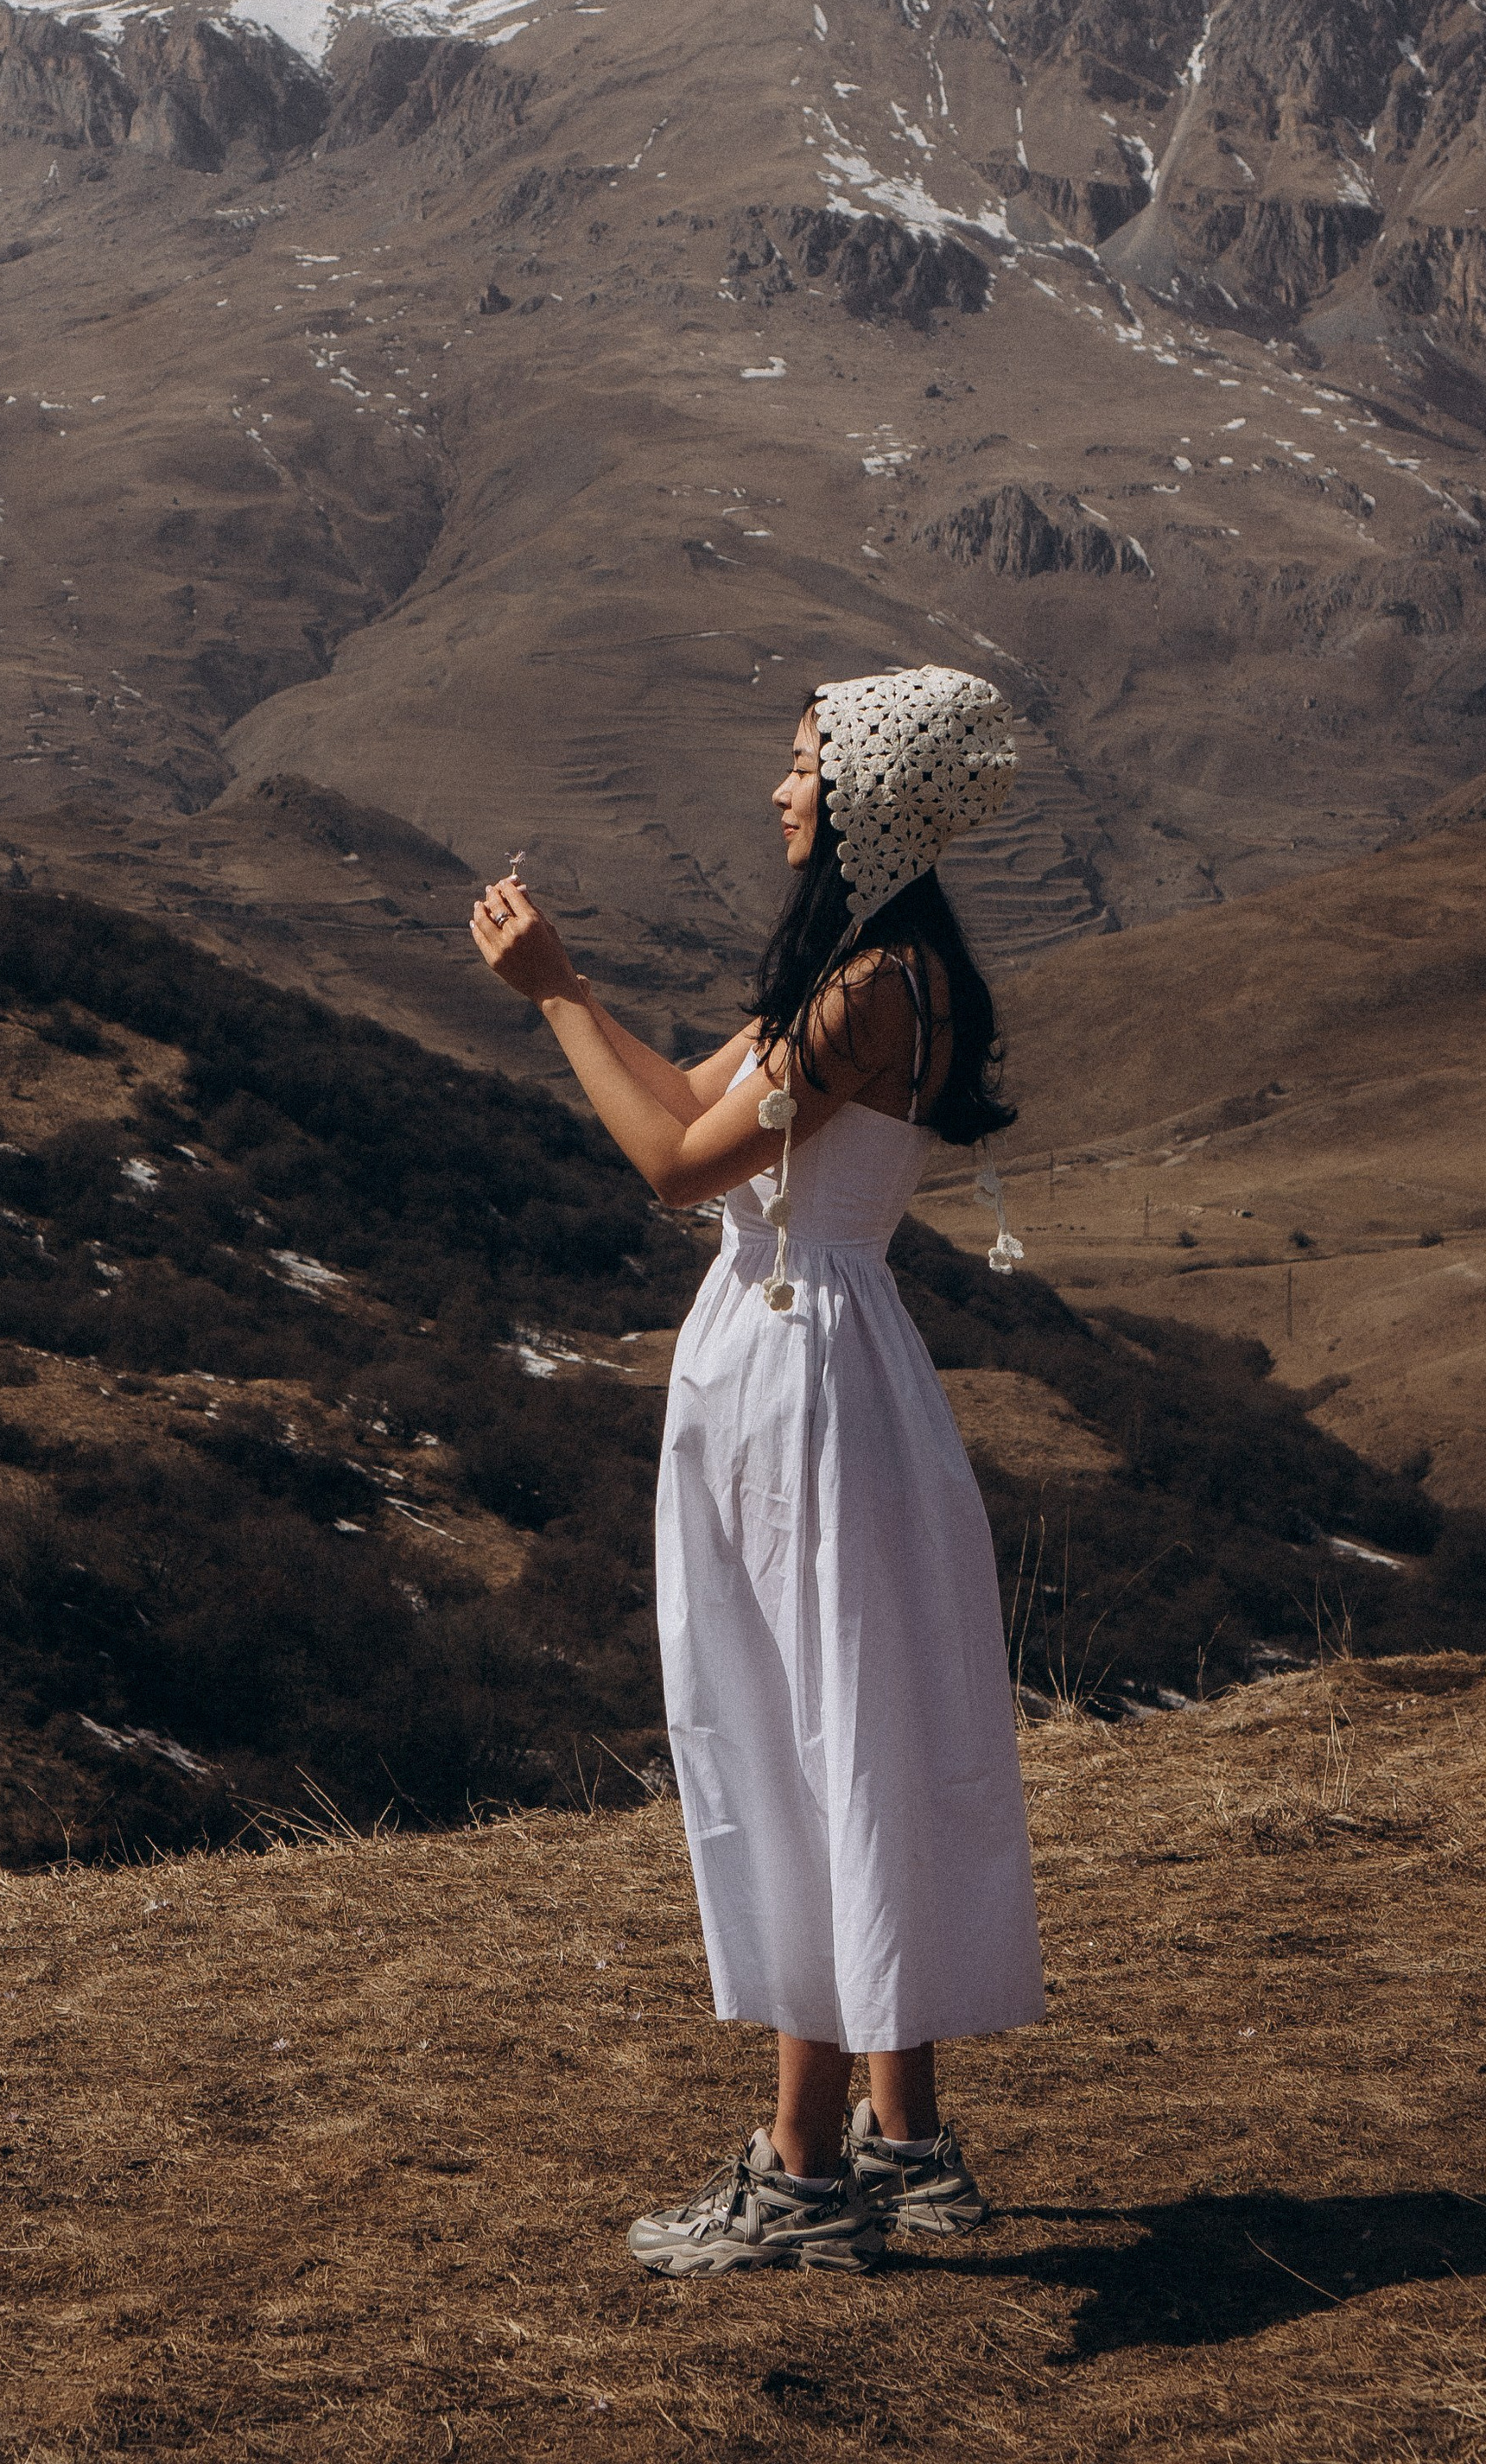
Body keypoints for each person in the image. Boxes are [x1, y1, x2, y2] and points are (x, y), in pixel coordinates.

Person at [469, 666, 1045, 2277]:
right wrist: (577, 1007)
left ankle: (800, 2171)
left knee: (806, 1738)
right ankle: (903, 2134)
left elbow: (669, 1170)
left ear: (869, 800)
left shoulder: (871, 990)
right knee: (843, 1720)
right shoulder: (877, 970)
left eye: (802, 770)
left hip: (801, 1379)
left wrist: (557, 993)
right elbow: (695, 1104)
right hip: (816, 1360)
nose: (780, 794)